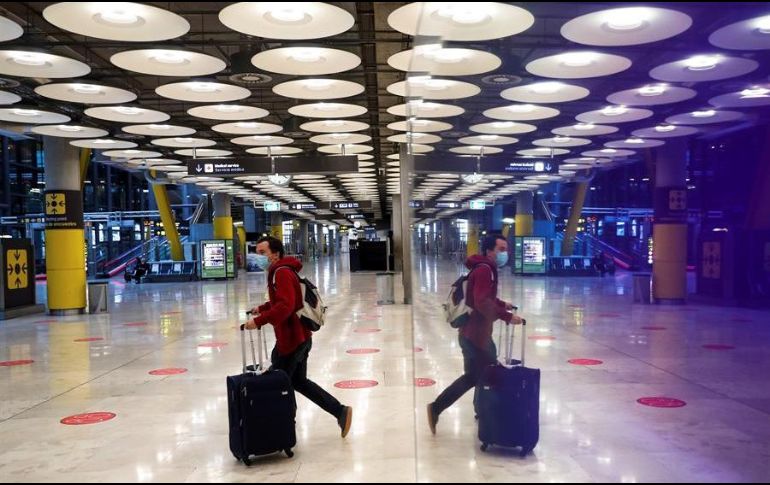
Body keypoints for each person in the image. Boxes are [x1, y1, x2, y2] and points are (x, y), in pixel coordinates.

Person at [244, 236, 353, 438]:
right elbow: (286, 301)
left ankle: (283, 431)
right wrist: (263, 308)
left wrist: (259, 322)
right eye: (256, 252)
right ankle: (340, 411)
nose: (258, 257)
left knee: (279, 385)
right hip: (299, 337)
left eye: (262, 253)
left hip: (291, 341)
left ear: (275, 254)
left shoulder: (281, 273)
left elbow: (286, 306)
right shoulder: (283, 270)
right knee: (298, 382)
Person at [427, 234, 523, 434]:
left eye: (506, 249)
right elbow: (480, 302)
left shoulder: (483, 268)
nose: (505, 253)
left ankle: (470, 410)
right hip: (476, 336)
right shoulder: (485, 270)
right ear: (489, 250)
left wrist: (501, 304)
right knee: (488, 374)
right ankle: (443, 408)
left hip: (472, 334)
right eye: (501, 249)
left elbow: (484, 297)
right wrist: (506, 316)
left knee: (477, 375)